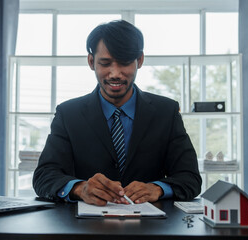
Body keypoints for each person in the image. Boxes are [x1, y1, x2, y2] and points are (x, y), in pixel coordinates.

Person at [33, 20, 201, 206]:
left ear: (140, 60)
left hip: (152, 228)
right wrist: (79, 189)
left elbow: (190, 178)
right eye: (105, 63)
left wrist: (157, 188)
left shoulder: (166, 111)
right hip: (84, 228)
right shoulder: (68, 113)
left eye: (125, 63)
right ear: (91, 61)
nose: (115, 73)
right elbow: (44, 176)